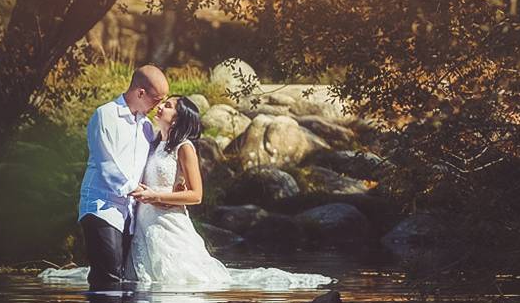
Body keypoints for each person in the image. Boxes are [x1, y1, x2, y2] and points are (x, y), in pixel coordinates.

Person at [124, 95, 331, 288]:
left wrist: (155, 196)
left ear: (178, 119)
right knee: (145, 281)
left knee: (180, 281)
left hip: (167, 222)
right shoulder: (152, 144)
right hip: (144, 223)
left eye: (167, 106)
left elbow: (196, 195)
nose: (159, 106)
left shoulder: (184, 148)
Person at [77, 65, 169, 288]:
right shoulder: (106, 115)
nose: (158, 106)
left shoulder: (146, 126)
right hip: (102, 206)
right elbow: (107, 163)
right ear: (140, 93)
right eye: (156, 99)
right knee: (108, 276)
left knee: (121, 276)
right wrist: (134, 189)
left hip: (130, 212)